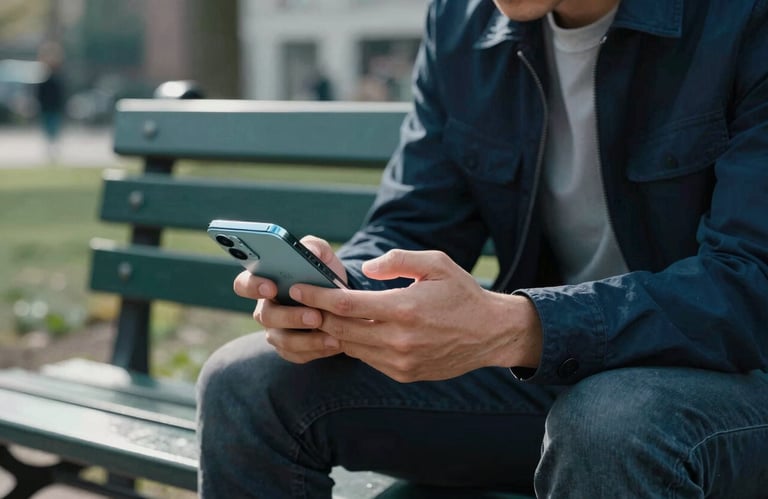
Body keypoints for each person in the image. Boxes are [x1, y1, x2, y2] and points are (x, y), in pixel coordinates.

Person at [197, 0, 768, 496]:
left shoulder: (745, 19)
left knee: (612, 422)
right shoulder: (461, 21)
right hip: (557, 379)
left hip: (733, 389)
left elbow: (751, 284)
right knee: (247, 382)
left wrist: (523, 327)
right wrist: (342, 294)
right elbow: (418, 220)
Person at [35, 42, 66, 160]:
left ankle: (53, 148)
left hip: (53, 108)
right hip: (47, 108)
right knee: (48, 129)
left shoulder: (57, 80)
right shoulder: (44, 80)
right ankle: (50, 148)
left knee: (53, 129)